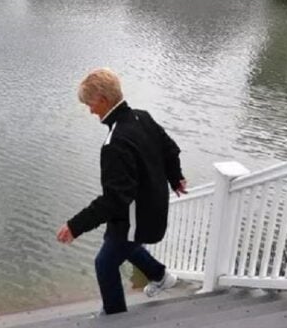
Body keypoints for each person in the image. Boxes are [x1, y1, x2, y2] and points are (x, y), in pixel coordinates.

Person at [56, 68, 188, 315]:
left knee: (105, 263)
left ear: (104, 100)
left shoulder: (114, 143)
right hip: (153, 207)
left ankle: (115, 317)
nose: (90, 110)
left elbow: (115, 199)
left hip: (136, 218)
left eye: (90, 103)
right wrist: (176, 177)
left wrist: (75, 225)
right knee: (118, 244)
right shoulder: (142, 117)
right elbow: (170, 149)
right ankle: (161, 277)